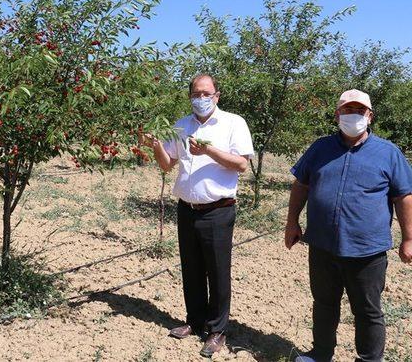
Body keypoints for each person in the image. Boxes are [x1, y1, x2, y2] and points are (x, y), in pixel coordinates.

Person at [285, 89, 412, 362]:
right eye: (347, 110)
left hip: (366, 250)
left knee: (367, 311)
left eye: (359, 110)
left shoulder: (388, 153)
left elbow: (403, 196)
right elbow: (301, 185)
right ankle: (320, 355)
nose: (353, 115)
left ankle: (369, 360)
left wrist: (408, 238)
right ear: (337, 115)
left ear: (370, 116)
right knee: (324, 304)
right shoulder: (320, 148)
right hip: (322, 244)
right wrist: (291, 222)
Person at [141, 74, 254, 357]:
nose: (200, 98)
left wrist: (209, 150)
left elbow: (241, 164)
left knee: (217, 270)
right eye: (195, 93)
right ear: (190, 96)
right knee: (191, 268)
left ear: (217, 95)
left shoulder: (233, 123)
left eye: (206, 93)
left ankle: (217, 330)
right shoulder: (181, 125)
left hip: (218, 210)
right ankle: (194, 321)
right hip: (187, 209)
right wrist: (155, 144)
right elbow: (167, 164)